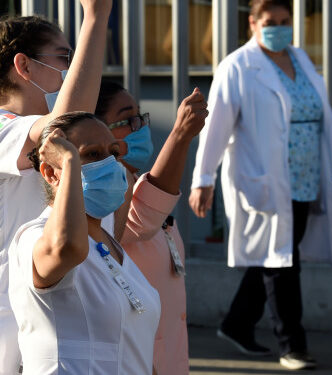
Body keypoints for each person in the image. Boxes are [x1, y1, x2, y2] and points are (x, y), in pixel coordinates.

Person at [188, 0, 332, 370]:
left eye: (284, 21)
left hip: (305, 176)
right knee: (283, 262)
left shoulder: (300, 59)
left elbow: (322, 115)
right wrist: (203, 179)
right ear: (252, 23)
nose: (278, 28)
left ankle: (237, 324)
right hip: (265, 179)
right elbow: (215, 127)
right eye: (270, 22)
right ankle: (292, 345)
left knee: (278, 255)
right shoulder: (237, 67)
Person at [0, 1, 111, 373]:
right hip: (1, 333)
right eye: (62, 59)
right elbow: (67, 126)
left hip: (44, 324)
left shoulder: (35, 132)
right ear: (23, 65)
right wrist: (96, 16)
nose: (70, 72)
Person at [9, 112, 160, 374]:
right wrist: (68, 161)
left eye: (113, 152)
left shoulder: (109, 244)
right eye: (91, 154)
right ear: (50, 173)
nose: (110, 163)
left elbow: (135, 348)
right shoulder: (35, 236)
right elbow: (69, 248)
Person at [95, 81, 207, 375]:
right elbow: (142, 218)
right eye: (127, 119)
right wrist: (180, 135)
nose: (139, 126)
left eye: (140, 117)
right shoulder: (102, 201)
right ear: (95, 131)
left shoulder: (136, 182)